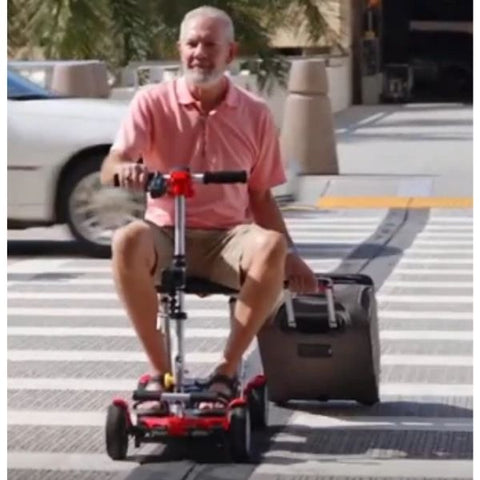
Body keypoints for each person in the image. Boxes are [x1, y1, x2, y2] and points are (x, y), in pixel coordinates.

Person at [100, 5, 317, 408]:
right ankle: (162, 371)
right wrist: (126, 169)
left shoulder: (255, 113)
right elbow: (111, 164)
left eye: (210, 45)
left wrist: (294, 256)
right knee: (127, 238)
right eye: (193, 43)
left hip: (228, 237)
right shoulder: (151, 102)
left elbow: (261, 196)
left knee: (271, 246)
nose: (200, 52)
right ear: (180, 49)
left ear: (230, 54)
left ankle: (227, 371)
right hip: (165, 232)